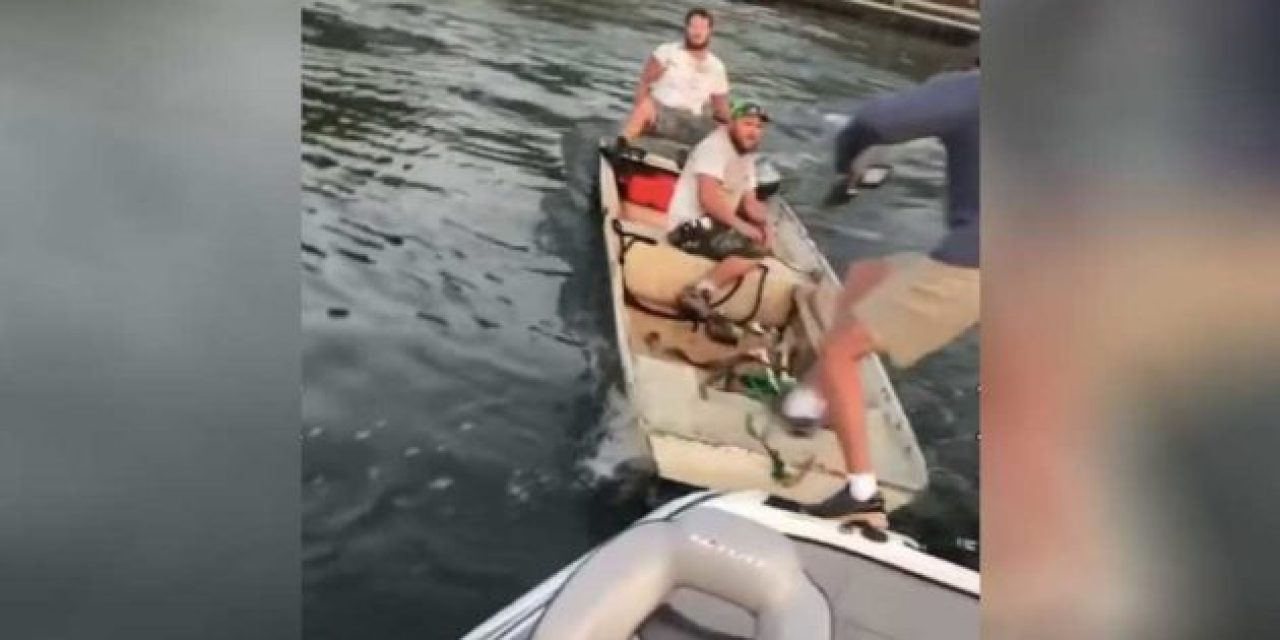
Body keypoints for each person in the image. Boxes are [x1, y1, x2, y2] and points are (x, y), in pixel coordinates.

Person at [783, 69, 980, 523]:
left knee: (839, 350)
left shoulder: (978, 90)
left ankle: (861, 493)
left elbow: (874, 122)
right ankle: (815, 399)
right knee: (866, 276)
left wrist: (846, 163)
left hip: (973, 264)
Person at [658, 102, 775, 330]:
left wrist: (766, 225)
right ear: (731, 122)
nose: (753, 131)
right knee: (754, 249)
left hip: (716, 225)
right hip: (688, 227)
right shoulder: (714, 148)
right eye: (747, 124)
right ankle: (700, 291)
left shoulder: (746, 156)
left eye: (759, 127)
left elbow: (750, 202)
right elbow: (708, 199)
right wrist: (743, 228)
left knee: (760, 238)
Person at [618, 8, 731, 147]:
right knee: (645, 107)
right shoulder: (667, 52)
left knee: (727, 131)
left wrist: (735, 123)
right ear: (686, 28)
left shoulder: (717, 66)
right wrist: (642, 106)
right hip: (662, 113)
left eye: (702, 27)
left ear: (710, 31)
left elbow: (721, 109)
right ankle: (622, 145)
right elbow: (644, 83)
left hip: (692, 121)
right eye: (693, 26)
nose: (697, 32)